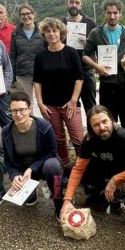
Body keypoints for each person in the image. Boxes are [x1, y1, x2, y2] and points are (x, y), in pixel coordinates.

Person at [59, 105, 125, 219]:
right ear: (91, 127)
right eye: (96, 125)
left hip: (124, 171)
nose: (102, 127)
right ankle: (100, 188)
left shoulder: (124, 137)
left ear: (111, 120)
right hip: (102, 170)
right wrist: (67, 199)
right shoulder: (88, 140)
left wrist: (116, 180)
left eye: (104, 121)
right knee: (69, 168)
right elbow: (78, 170)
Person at [33, 18, 84, 168]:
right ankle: (65, 164)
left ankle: (83, 167)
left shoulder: (71, 52)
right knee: (58, 139)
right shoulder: (40, 56)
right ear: (44, 34)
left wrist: (74, 100)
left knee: (78, 139)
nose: (51, 34)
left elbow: (79, 79)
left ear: (60, 32)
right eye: (48, 31)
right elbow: (37, 82)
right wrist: (40, 104)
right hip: (50, 105)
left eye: (54, 30)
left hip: (70, 104)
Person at [0, 92, 63, 211]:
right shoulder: (6, 131)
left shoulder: (44, 127)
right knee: (28, 200)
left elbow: (52, 153)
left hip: (42, 166)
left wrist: (32, 168)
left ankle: (58, 201)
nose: (18, 114)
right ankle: (31, 193)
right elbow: (8, 160)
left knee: (53, 165)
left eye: (22, 110)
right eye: (14, 110)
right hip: (23, 171)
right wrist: (14, 175)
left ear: (30, 109)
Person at [82, 0, 125, 133]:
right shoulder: (96, 33)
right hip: (107, 84)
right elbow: (85, 55)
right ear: (104, 14)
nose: (112, 16)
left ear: (120, 13)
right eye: (109, 13)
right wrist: (97, 67)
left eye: (115, 13)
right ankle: (112, 151)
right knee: (108, 124)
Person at [62, 0, 98, 115]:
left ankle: (92, 133)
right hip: (67, 71)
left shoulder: (91, 23)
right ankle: (76, 134)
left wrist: (89, 43)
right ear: (66, 4)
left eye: (77, 2)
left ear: (81, 6)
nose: (74, 5)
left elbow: (98, 46)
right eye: (71, 2)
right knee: (71, 107)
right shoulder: (61, 24)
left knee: (91, 108)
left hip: (86, 70)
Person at [9, 3, 45, 99]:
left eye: (28, 13)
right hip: (23, 74)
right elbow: (12, 56)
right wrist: (12, 76)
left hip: (41, 72)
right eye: (23, 14)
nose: (26, 16)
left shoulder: (43, 31)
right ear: (20, 17)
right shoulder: (15, 33)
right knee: (26, 102)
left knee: (45, 102)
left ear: (34, 14)